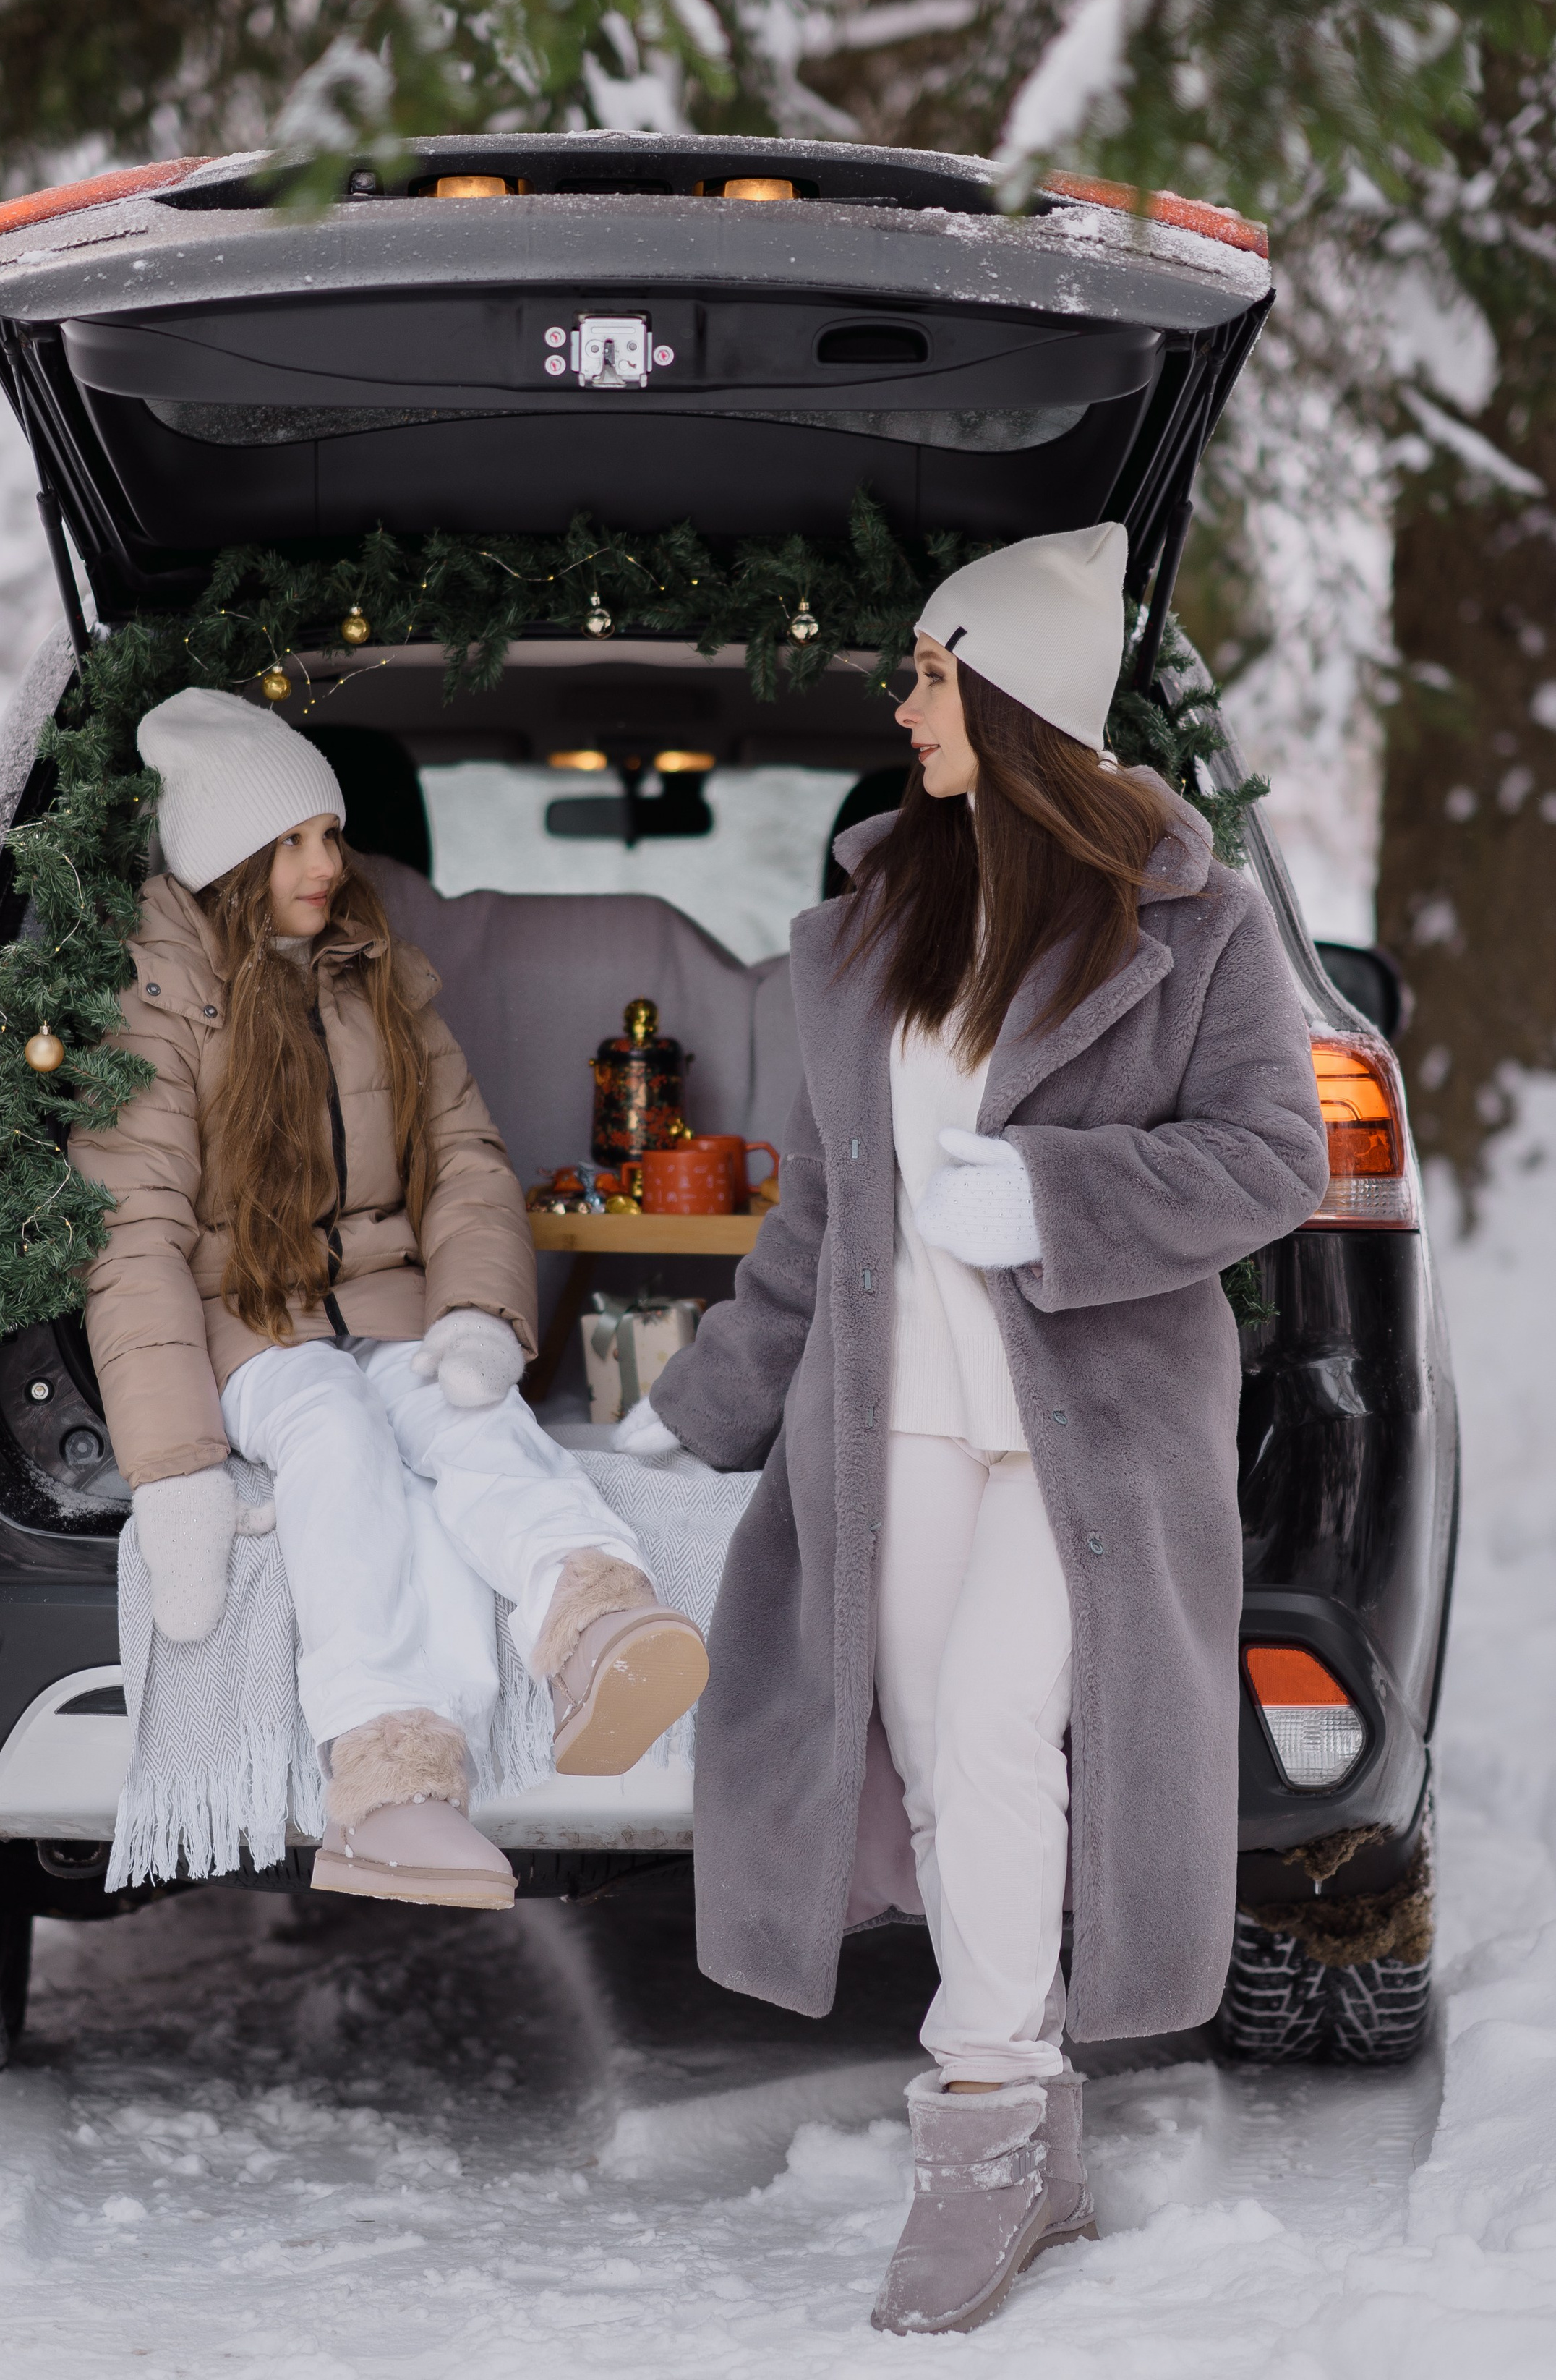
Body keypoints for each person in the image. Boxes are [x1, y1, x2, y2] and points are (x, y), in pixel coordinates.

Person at [617, 522, 1329, 2334]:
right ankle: (1030, 2115)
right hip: (900, 1425)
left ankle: (988, 2125)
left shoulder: (1194, 920)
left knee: (1007, 1726)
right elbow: (816, 1219)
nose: (904, 703)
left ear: (1014, 699)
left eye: (932, 674)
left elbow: (1270, 1160)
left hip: (1089, 1430)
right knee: (939, 1758)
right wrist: (697, 1410)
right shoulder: (875, 926)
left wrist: (1061, 1197)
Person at [71, 686, 708, 1914]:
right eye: (295, 842)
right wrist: (177, 1467)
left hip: (387, 1297)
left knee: (471, 1422)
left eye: (332, 835)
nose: (327, 864)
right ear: (228, 860)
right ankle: (393, 1777)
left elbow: (464, 1160)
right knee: (336, 1442)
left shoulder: (377, 973)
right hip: (244, 1313)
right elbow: (134, 1234)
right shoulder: (148, 1004)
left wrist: (476, 1318)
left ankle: (593, 1622)